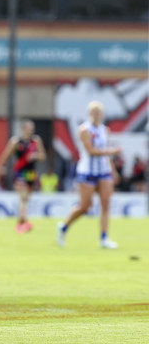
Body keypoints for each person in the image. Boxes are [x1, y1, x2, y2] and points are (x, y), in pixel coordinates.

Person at [56, 101, 121, 249]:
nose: (97, 114)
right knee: (85, 206)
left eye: (99, 112)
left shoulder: (106, 130)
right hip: (87, 172)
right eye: (94, 111)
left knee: (105, 203)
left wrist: (113, 170)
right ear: (89, 113)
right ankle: (63, 227)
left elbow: (105, 155)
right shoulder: (84, 130)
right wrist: (112, 151)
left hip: (103, 172)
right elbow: (91, 151)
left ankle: (104, 238)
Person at [0, 119, 46, 233]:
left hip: (31, 173)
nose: (30, 131)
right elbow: (5, 156)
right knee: (23, 196)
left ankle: (21, 221)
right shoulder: (16, 142)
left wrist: (35, 155)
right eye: (28, 128)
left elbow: (43, 156)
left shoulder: (36, 141)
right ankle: (23, 222)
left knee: (26, 199)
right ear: (22, 129)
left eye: (32, 129)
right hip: (19, 172)